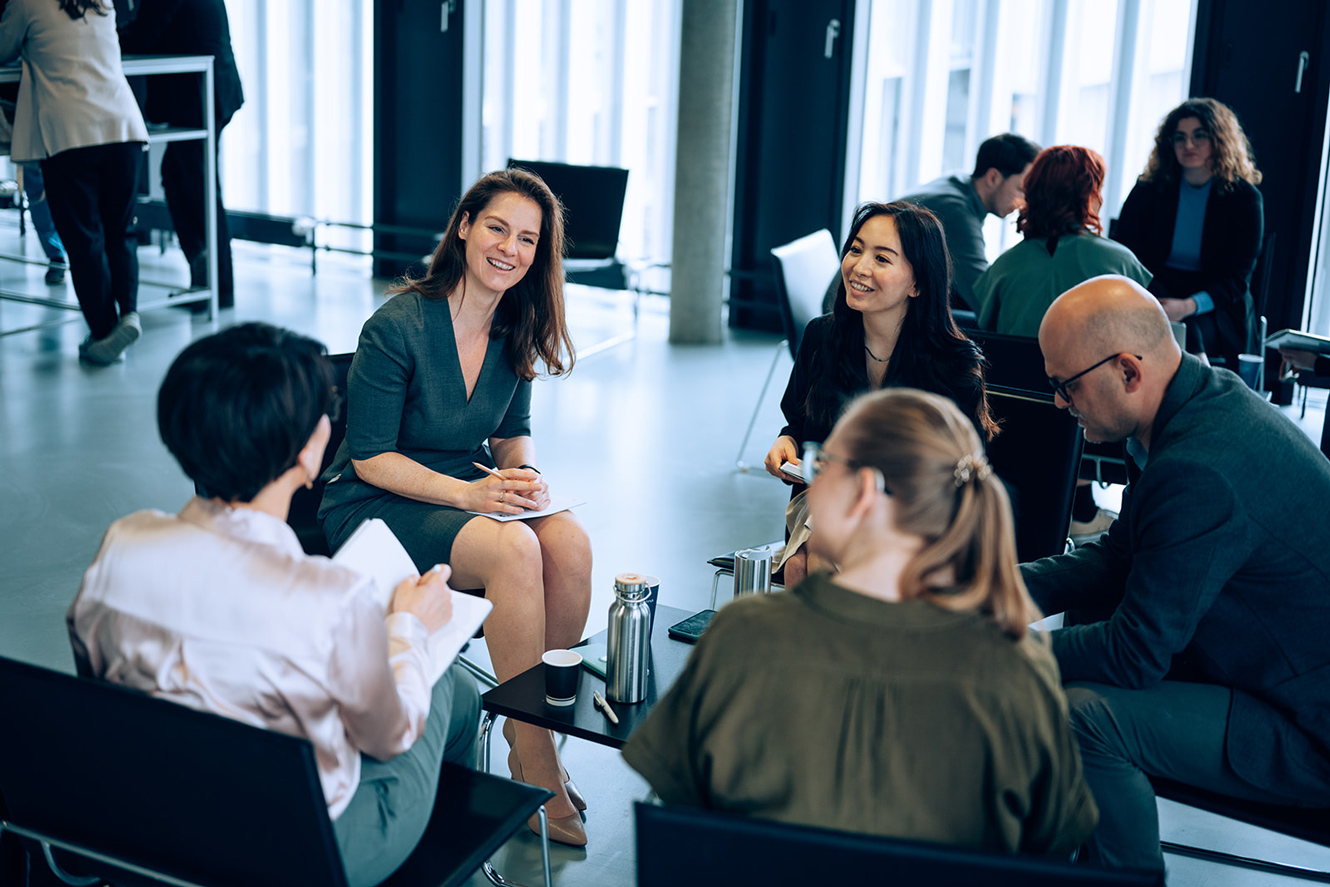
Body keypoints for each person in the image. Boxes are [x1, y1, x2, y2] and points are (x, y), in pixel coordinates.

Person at [67, 323, 480, 887]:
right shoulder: (328, 598)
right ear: (310, 452)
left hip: (148, 817)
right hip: (301, 851)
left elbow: (96, 684)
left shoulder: (122, 545)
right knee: (447, 683)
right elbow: (390, 735)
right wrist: (409, 628)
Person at [625, 388, 1098, 855]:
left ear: (864, 493)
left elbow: (683, 821)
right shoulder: (1019, 669)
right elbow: (1051, 842)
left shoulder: (745, 636)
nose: (810, 481)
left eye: (821, 466)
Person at [318, 168, 593, 847]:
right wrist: (472, 494)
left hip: (465, 491)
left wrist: (521, 474)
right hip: (377, 502)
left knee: (571, 543)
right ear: (465, 226)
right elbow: (369, 456)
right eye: (497, 227)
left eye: (528, 238)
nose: (510, 248)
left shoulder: (517, 322)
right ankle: (536, 761)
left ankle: (537, 735)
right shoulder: (398, 323)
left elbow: (509, 433)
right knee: (514, 548)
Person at [1024, 275, 1330, 871]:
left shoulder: (1199, 467)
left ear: (1128, 372)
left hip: (1309, 730)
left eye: (1066, 385)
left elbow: (1136, 654)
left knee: (1078, 716)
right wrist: (1000, 588)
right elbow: (1119, 557)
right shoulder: (1197, 402)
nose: (1060, 403)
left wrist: (1003, 651)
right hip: (1278, 672)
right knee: (1076, 644)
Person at [764, 201, 996, 586]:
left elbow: (960, 478)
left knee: (816, 561)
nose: (860, 267)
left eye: (882, 259)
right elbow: (800, 426)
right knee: (812, 559)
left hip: (915, 512)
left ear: (918, 283)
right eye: (856, 249)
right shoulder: (822, 338)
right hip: (828, 502)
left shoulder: (952, 367)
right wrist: (786, 441)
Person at [0, 0, 148, 365]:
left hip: (71, 133)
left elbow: (2, 50)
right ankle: (128, 313)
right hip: (123, 128)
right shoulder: (102, 2)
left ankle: (102, 334)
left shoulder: (26, 4)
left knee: (85, 240)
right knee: (120, 231)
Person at [1112, 97, 1263, 370]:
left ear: (1219, 140)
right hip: (1155, 289)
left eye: (1199, 136)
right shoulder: (1149, 189)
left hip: (1215, 302)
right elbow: (1127, 254)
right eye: (1179, 138)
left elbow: (1237, 279)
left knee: (1183, 328)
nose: (1188, 145)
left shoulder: (1244, 198)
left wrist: (1188, 307)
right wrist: (1158, 300)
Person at [119, 0, 244, 307]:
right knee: (178, 179)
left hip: (200, 94)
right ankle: (207, 275)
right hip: (207, 90)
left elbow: (145, 35)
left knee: (198, 188)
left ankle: (218, 286)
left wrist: (100, 40)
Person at [976, 145, 1150, 337]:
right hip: (1090, 368)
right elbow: (1140, 336)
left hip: (1013, 367)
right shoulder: (1120, 263)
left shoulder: (1004, 267)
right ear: (1090, 195)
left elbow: (986, 334)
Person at [895, 132, 1041, 312]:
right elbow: (982, 297)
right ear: (993, 177)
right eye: (1021, 189)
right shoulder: (956, 211)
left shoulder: (959, 182)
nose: (1025, 201)